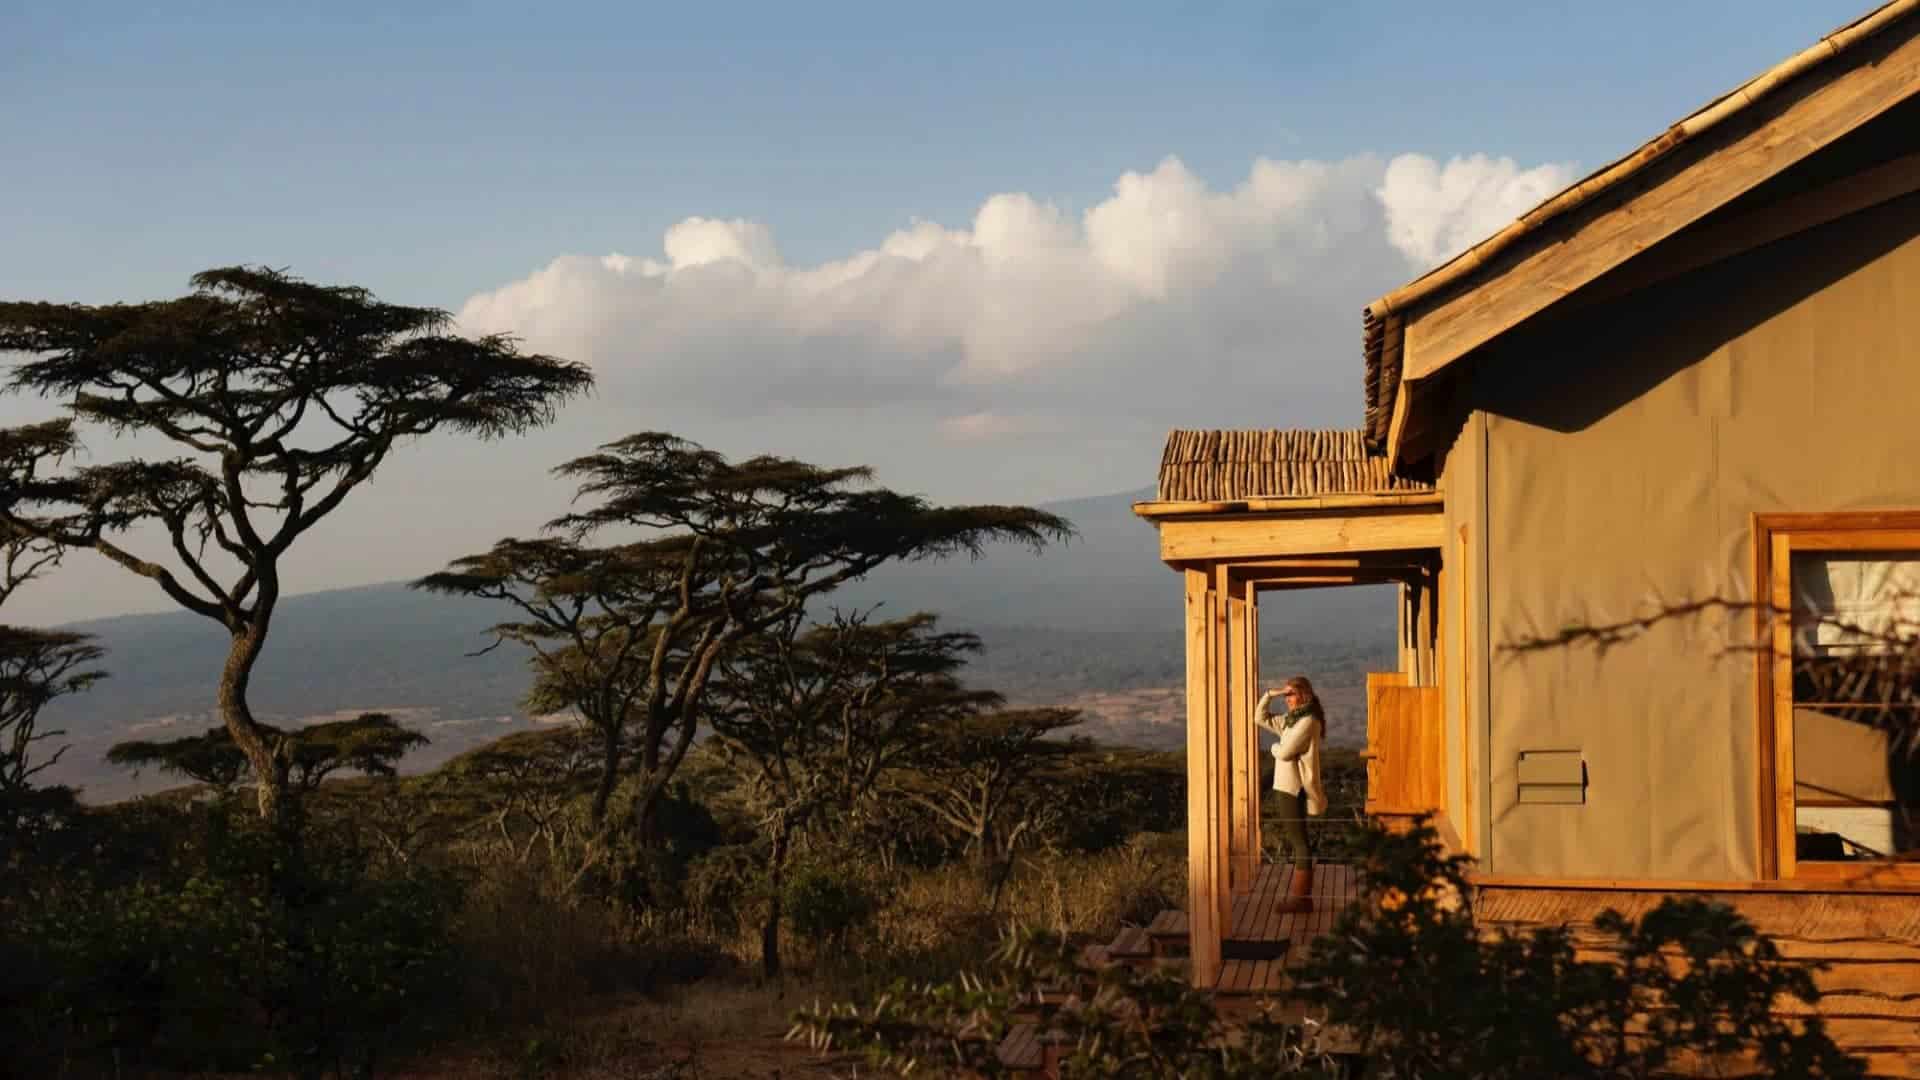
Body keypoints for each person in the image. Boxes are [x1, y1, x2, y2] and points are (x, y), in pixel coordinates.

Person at [1254, 676, 1327, 914]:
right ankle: (1301, 899)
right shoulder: (1291, 720)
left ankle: (1300, 898)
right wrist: (1270, 694)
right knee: (1298, 840)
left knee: (1299, 842)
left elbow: (1284, 752)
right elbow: (1259, 718)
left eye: (1291, 694)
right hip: (1284, 786)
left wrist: (1273, 748)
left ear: (1304, 695)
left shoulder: (1307, 721)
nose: (1287, 700)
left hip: (1292, 787)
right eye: (1286, 695)